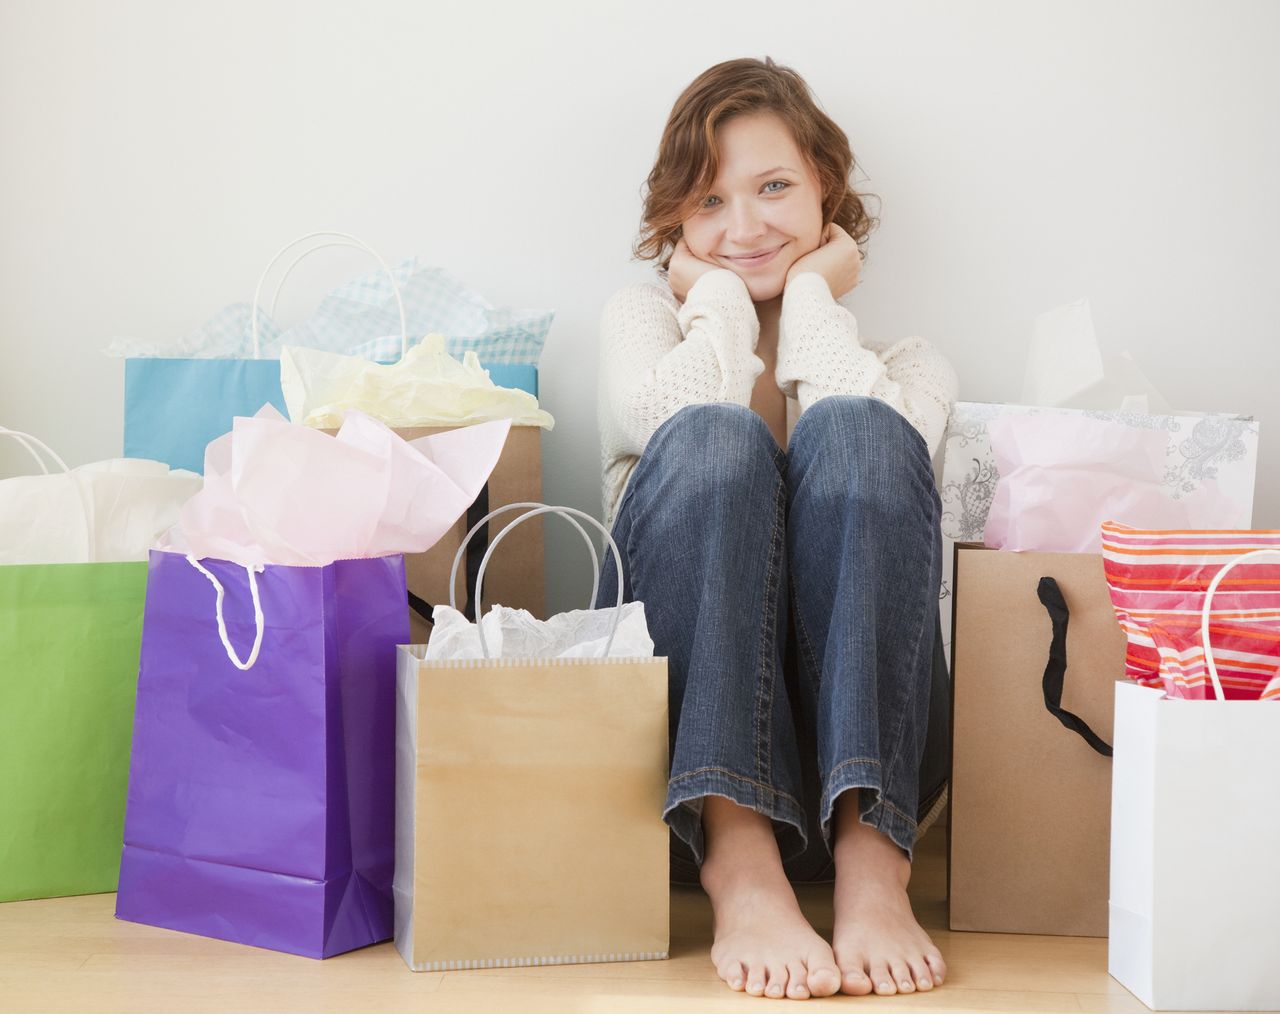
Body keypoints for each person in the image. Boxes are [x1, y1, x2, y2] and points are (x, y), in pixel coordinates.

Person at [594, 56, 958, 1001]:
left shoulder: (907, 367)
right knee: (715, 439)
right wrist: (715, 298)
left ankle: (876, 863)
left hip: (871, 770)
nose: (745, 227)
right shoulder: (642, 328)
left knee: (859, 431)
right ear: (675, 221)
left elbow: (874, 459)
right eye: (709, 201)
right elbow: (677, 418)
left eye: (774, 188)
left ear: (826, 192)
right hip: (670, 769)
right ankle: (738, 852)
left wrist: (807, 300)